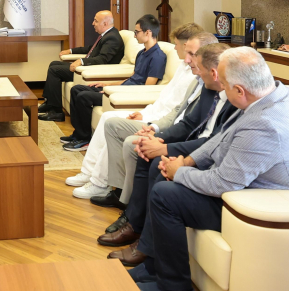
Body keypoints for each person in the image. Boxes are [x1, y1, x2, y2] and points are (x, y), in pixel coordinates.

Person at [127, 48, 289, 291]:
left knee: (164, 195)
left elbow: (222, 184)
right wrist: (187, 162)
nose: (222, 90)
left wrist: (179, 172)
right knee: (161, 174)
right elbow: (221, 138)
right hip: (242, 186)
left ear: (239, 90)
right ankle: (153, 267)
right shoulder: (270, 94)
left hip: (254, 205)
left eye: (225, 85)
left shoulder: (265, 124)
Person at [98, 39, 232, 246]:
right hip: (192, 144)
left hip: (204, 153)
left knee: (156, 164)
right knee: (145, 153)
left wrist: (164, 148)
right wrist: (158, 138)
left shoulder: (234, 98)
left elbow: (213, 142)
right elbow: (188, 122)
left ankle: (145, 240)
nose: (190, 64)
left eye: (194, 58)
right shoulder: (207, 86)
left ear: (214, 72)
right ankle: (134, 223)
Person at [64, 23, 204, 202]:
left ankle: (99, 183)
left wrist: (152, 122)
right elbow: (163, 98)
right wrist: (143, 112)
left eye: (176, 44)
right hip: (151, 114)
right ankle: (88, 172)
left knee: (112, 124)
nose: (175, 48)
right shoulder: (183, 67)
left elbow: (176, 111)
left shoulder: (195, 75)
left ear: (186, 46)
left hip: (160, 122)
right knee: (107, 117)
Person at [61, 14, 168, 151]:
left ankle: (85, 140)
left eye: (137, 32)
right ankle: (78, 134)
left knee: (84, 97)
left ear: (148, 33)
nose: (134, 35)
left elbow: (147, 88)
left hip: (126, 95)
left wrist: (115, 91)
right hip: (121, 89)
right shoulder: (141, 53)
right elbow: (132, 78)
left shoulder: (158, 57)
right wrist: (108, 85)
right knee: (76, 89)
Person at [39, 10, 124, 122]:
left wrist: (81, 61)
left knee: (55, 70)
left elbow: (102, 59)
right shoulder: (106, 35)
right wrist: (70, 51)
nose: (93, 23)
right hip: (87, 68)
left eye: (96, 21)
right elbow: (90, 49)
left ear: (105, 23)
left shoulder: (112, 38)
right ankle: (50, 103)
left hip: (94, 72)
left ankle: (56, 112)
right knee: (54, 64)